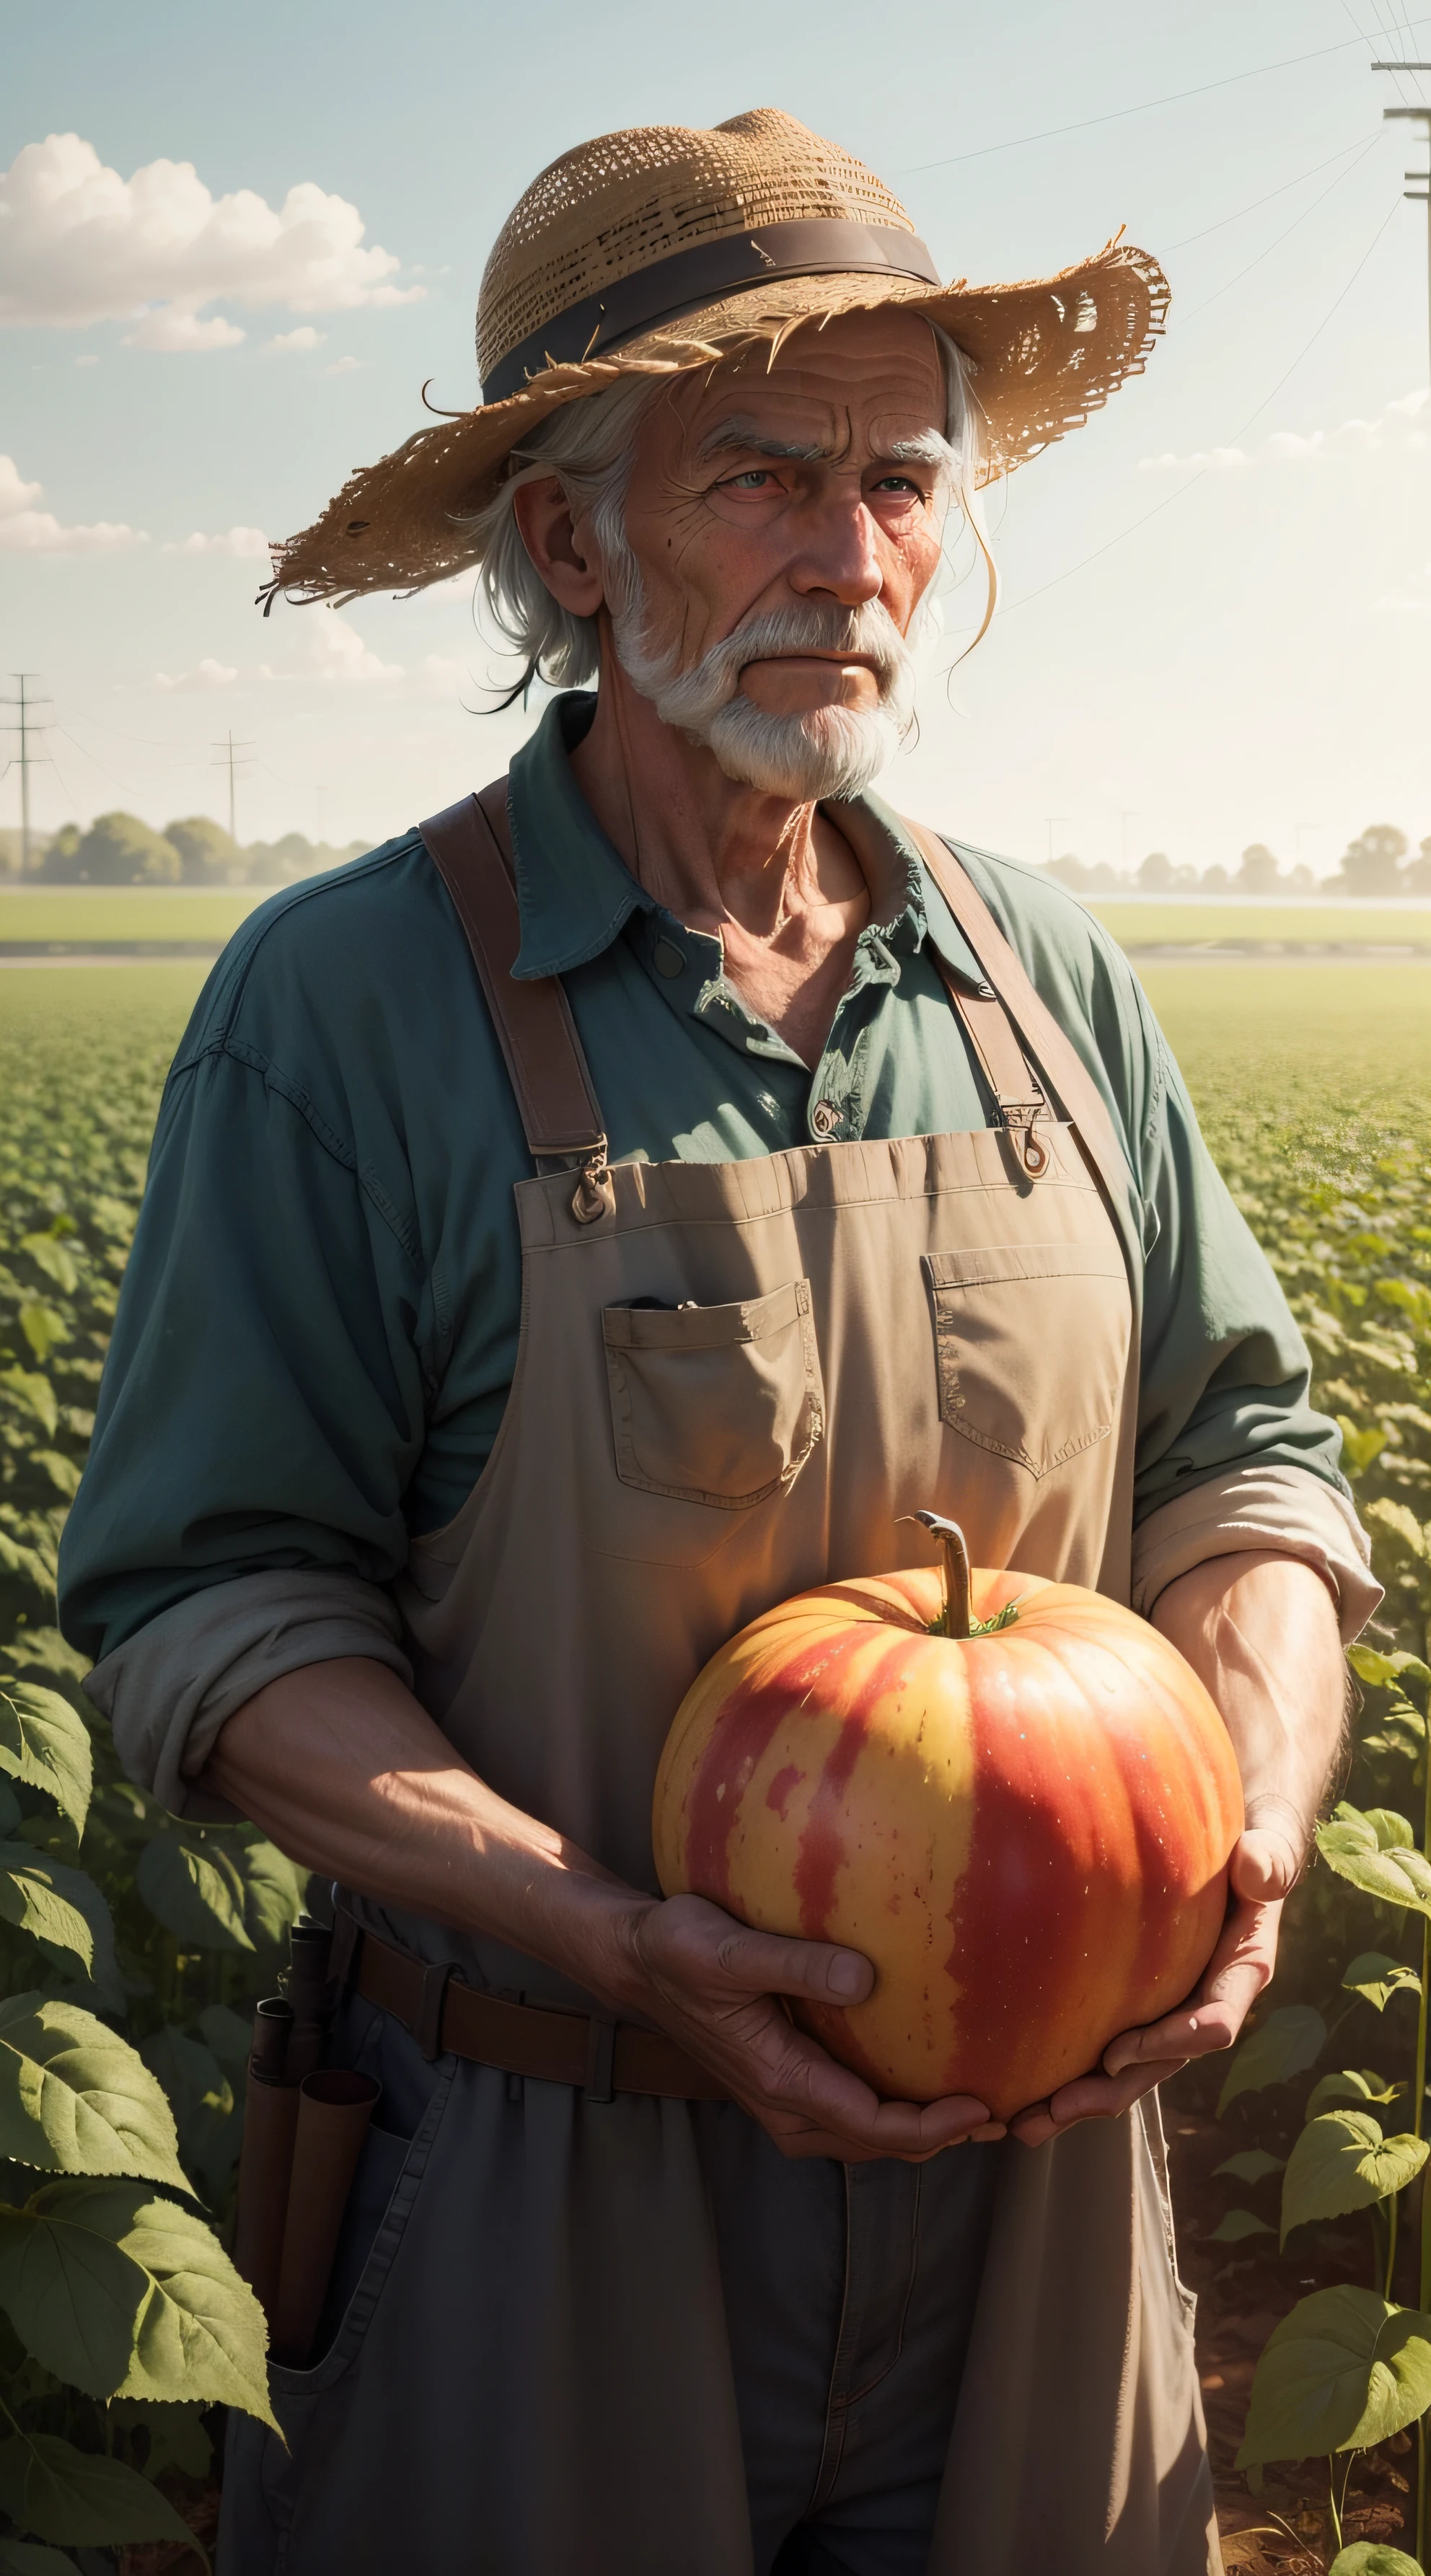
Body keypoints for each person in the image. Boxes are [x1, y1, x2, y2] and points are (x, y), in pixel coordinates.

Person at [59, 107, 1374, 2576]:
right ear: (565, 543)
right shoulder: (341, 1007)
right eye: (757, 478)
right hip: (547, 2178)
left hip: (1045, 2204)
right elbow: (212, 1610)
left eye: (900, 483)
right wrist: (600, 1932)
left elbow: (1252, 1463)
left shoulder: (1045, 979)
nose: (851, 559)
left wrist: (1256, 1809)